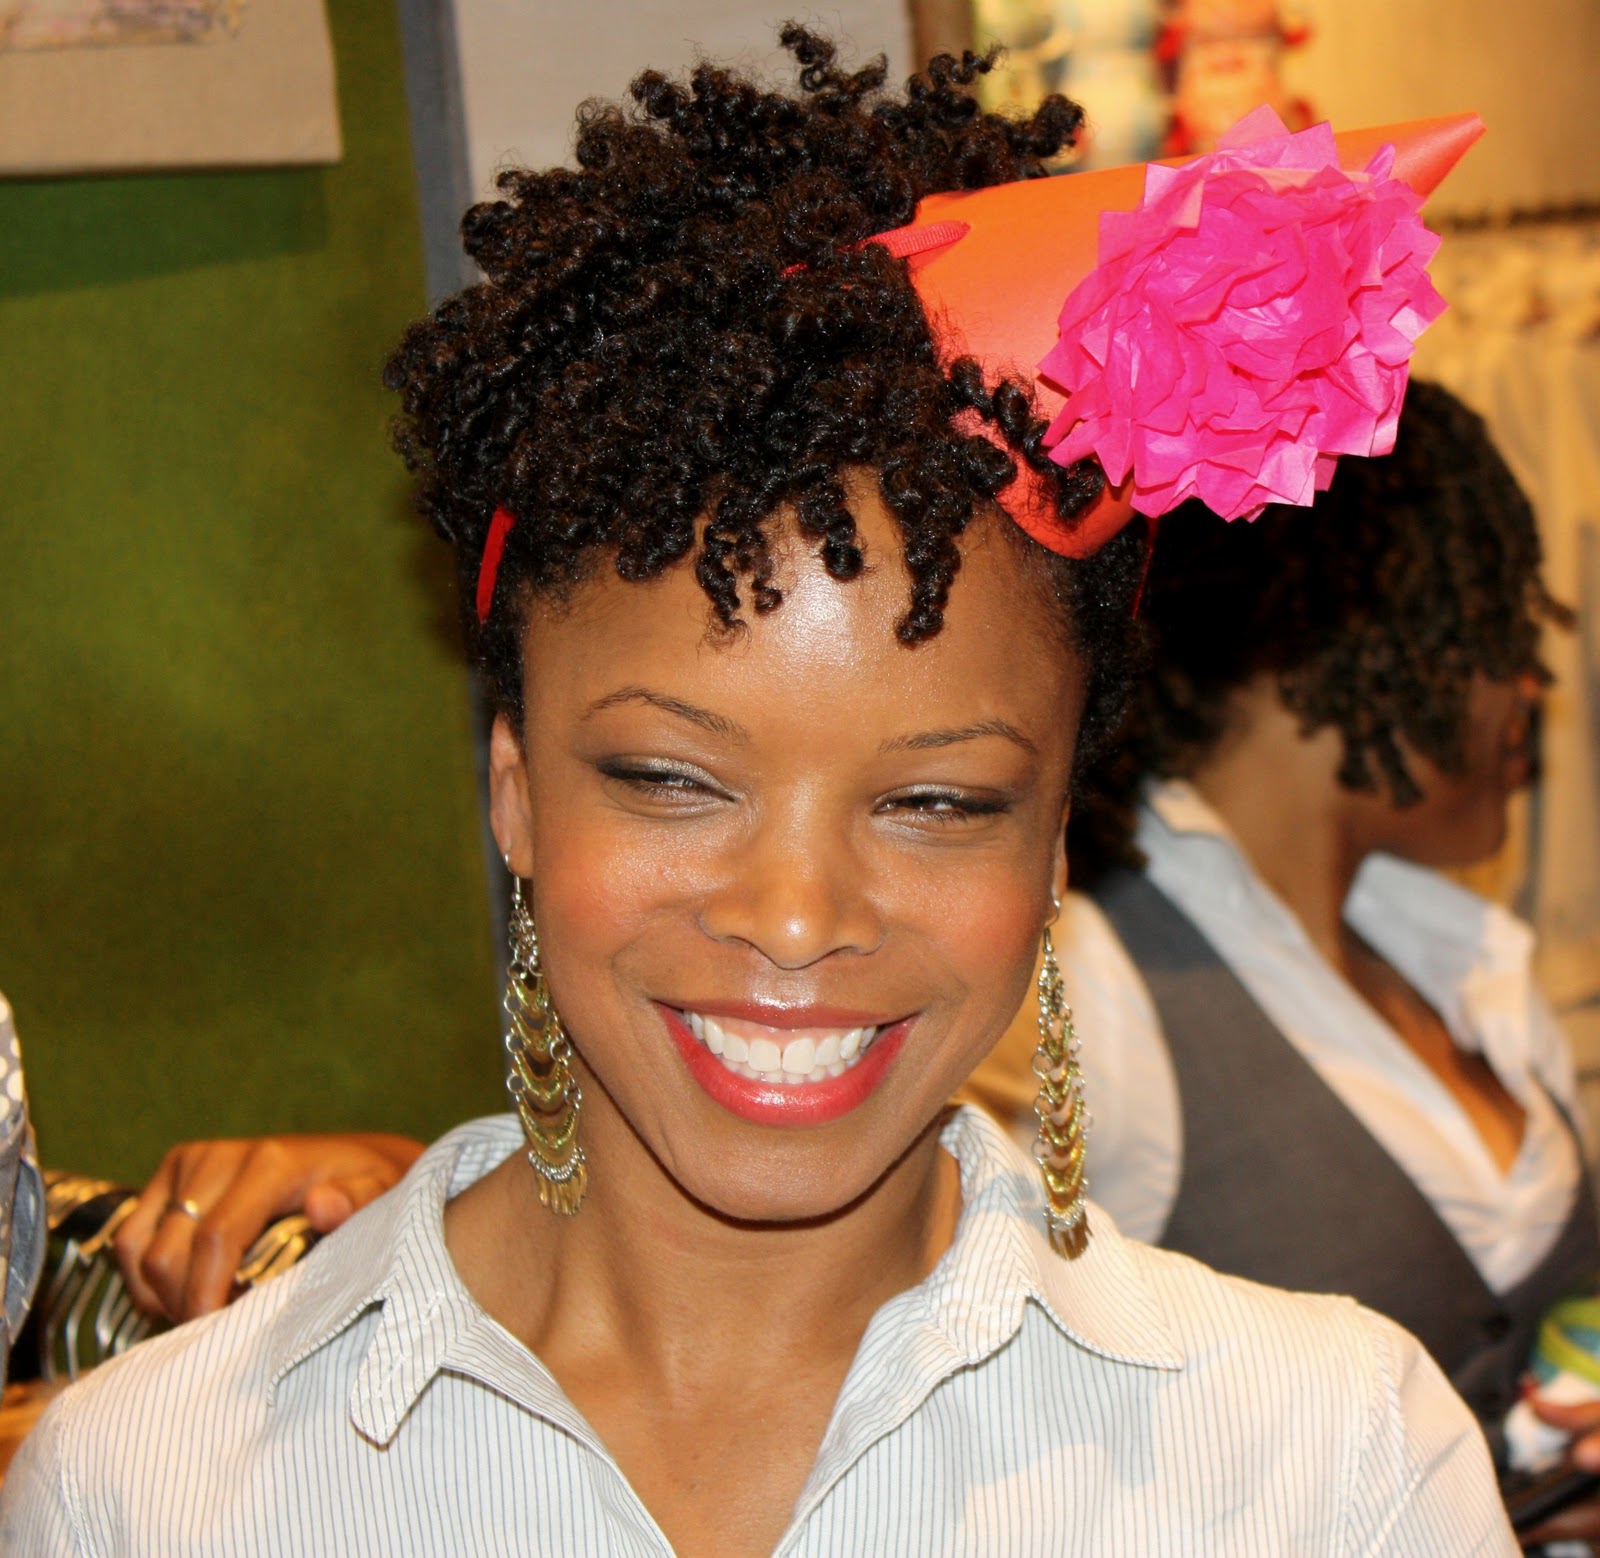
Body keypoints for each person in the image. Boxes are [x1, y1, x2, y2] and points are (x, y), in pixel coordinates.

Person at [2, 35, 1510, 1552]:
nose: (796, 918)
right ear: (515, 791)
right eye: (672, 779)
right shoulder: (154, 1486)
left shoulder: (1328, 1468)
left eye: (938, 803)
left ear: (1058, 836)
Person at [967, 379, 1600, 1514]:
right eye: (1490, 615)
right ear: (1348, 629)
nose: (1531, 681)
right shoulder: (1093, 991)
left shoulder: (1451, 955)